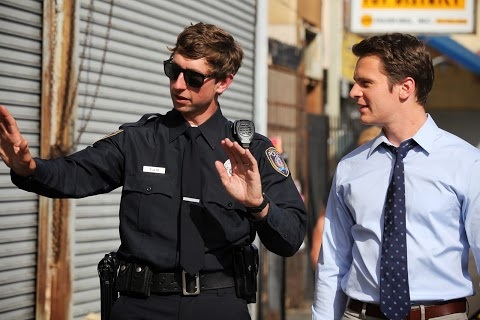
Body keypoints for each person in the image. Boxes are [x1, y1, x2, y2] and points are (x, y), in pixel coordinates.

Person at [0, 22, 307, 320]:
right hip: (141, 304)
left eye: (194, 77)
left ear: (224, 82)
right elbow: (74, 174)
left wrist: (259, 206)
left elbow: (290, 238)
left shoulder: (250, 152)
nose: (178, 84)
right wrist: (29, 168)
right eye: (173, 70)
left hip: (218, 305)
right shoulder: (138, 140)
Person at [312, 33, 480, 320]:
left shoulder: (466, 162)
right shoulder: (350, 167)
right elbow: (334, 260)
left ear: (405, 87)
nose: (354, 92)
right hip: (361, 314)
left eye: (366, 83)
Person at [309, 125, 381, 270]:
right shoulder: (345, 175)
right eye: (363, 150)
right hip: (350, 268)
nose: (368, 157)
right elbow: (324, 220)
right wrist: (318, 262)